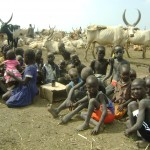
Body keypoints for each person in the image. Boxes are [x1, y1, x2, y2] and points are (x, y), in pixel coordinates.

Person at [124, 78, 150, 148]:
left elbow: (139, 124)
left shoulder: (143, 102)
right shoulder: (140, 100)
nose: (135, 91)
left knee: (130, 125)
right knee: (131, 104)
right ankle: (135, 135)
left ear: (146, 89)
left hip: (148, 131)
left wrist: (129, 131)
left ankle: (146, 142)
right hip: (147, 126)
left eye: (138, 89)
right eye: (133, 89)